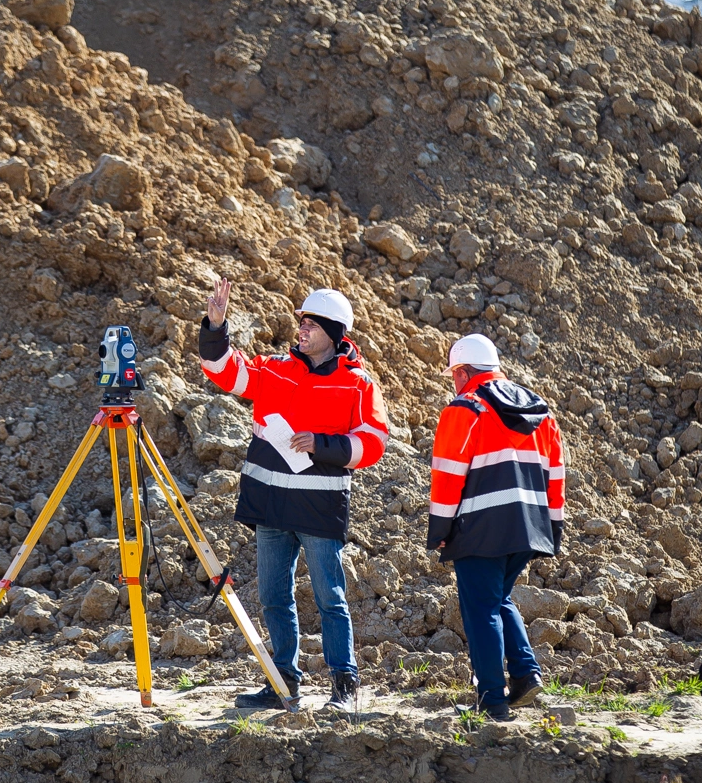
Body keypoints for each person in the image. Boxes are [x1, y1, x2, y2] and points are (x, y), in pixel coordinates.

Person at [198, 278, 389, 711]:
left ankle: (345, 685)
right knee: (273, 596)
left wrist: (322, 444)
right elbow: (225, 371)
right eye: (301, 322)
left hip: (318, 508)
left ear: (335, 333)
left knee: (330, 599)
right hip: (271, 507)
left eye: (311, 325)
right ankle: (283, 683)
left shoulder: (357, 384)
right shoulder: (275, 370)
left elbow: (374, 440)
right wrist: (215, 327)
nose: (301, 330)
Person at [427, 333, 564, 721]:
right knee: (498, 599)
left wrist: (439, 529)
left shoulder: (465, 408)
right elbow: (557, 474)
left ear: (465, 372)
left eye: (455, 374)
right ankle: (524, 674)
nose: (454, 382)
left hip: (481, 526)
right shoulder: (541, 411)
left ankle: (492, 696)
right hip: (529, 527)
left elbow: (449, 474)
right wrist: (553, 527)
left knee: (481, 607)